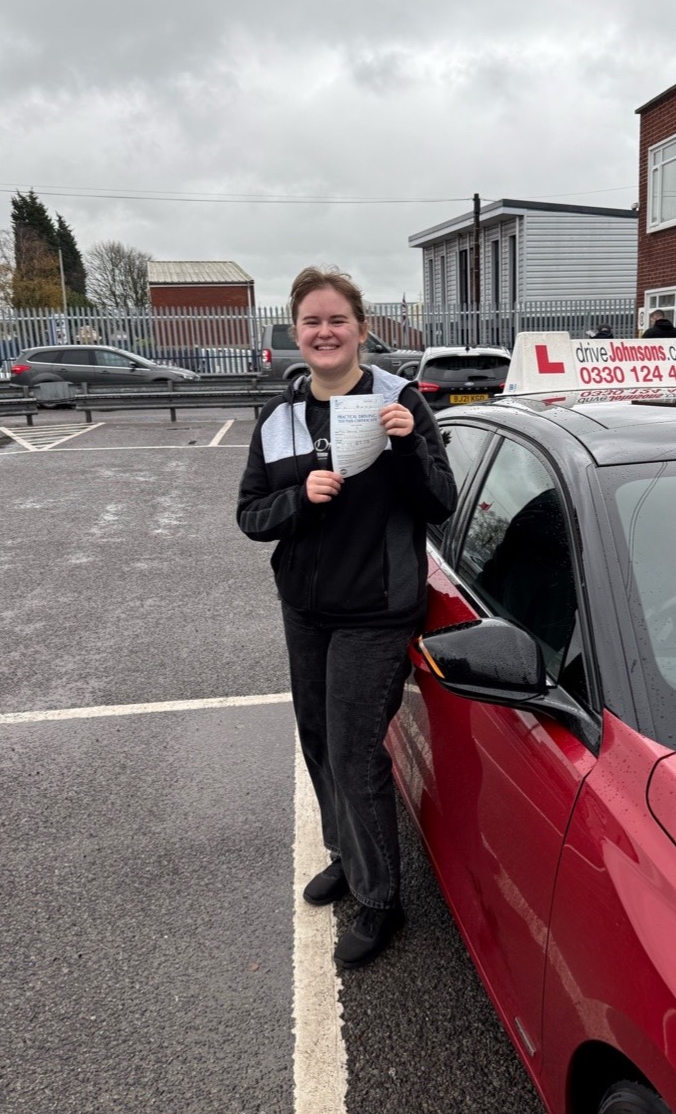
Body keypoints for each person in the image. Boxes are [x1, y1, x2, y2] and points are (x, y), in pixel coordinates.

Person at [237, 266, 457, 969]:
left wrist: (407, 444)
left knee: (355, 748)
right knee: (318, 741)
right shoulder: (278, 418)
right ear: (296, 332)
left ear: (362, 329)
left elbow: (439, 502)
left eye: (337, 320)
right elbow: (251, 515)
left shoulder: (400, 404)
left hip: (376, 611)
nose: (324, 332)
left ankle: (379, 895)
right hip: (306, 609)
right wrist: (299, 495)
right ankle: (344, 852)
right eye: (311, 321)